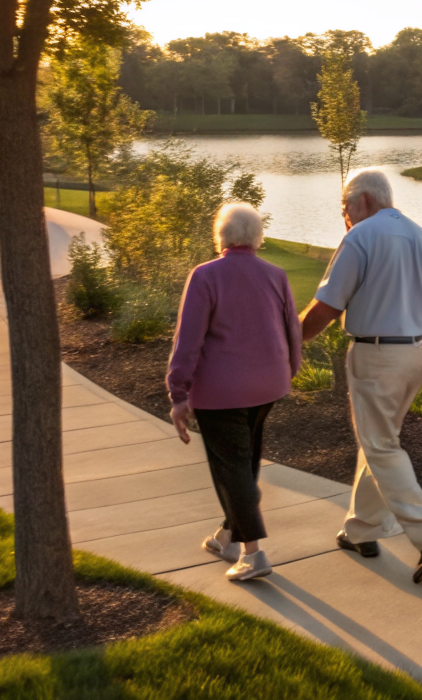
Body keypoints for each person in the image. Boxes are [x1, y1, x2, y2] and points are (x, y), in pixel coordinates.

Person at [300, 167, 422, 584]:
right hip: (415, 354)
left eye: (344, 207)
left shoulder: (360, 237)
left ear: (363, 201)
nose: (344, 217)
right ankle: (362, 530)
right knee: (379, 440)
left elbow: (327, 308)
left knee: (381, 445)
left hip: (376, 355)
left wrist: (288, 339)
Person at [166, 202, 301, 582]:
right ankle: (227, 536)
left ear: (221, 236)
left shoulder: (206, 276)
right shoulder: (276, 275)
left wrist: (178, 394)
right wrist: (288, 371)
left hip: (222, 392)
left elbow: (187, 340)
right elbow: (292, 329)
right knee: (245, 463)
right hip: (268, 385)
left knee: (233, 469)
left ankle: (253, 554)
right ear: (258, 238)